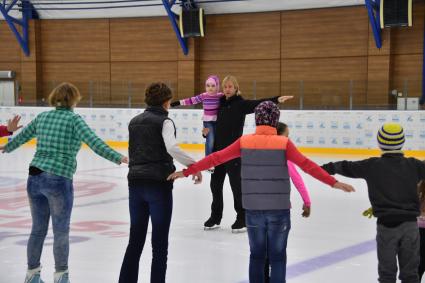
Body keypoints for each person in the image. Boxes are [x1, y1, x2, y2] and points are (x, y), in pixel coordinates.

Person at [168, 101, 355, 283]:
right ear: (275, 120)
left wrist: (186, 172)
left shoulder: (245, 142)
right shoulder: (284, 143)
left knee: (257, 256)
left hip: (253, 210)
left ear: (257, 119)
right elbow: (307, 165)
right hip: (279, 210)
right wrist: (333, 182)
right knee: (278, 257)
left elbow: (215, 158)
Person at [0, 82, 128, 283]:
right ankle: (61, 276)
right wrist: (118, 157)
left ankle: (32, 275)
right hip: (58, 178)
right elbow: (94, 143)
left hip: (34, 177)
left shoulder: (43, 117)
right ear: (74, 99)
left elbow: (22, 137)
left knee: (37, 229)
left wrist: (7, 148)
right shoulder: (74, 120)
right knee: (60, 230)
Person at [118, 82, 202, 283]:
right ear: (167, 102)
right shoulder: (165, 121)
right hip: (158, 185)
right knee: (159, 244)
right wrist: (193, 165)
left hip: (136, 184)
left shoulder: (134, 121)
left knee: (135, 241)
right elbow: (172, 148)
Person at [321, 123, 425, 283]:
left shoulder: (371, 165)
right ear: (403, 142)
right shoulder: (415, 165)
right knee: (410, 275)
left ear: (379, 143)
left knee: (387, 274)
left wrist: (321, 168)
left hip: (386, 227)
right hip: (411, 227)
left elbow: (346, 166)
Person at [204, 75, 293, 232]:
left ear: (236, 88)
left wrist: (277, 99)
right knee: (215, 186)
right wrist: (206, 133)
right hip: (218, 152)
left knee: (236, 186)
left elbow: (258, 103)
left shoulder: (241, 104)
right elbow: (212, 124)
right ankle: (215, 217)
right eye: (225, 87)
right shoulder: (220, 104)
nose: (227, 89)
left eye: (230, 86)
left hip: (233, 152)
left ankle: (242, 217)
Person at [264, 122, 311, 283]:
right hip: (278, 208)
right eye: (286, 135)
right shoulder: (283, 155)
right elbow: (297, 179)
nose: (288, 138)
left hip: (256, 207)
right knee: (277, 250)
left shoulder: (255, 152)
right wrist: (307, 201)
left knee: (261, 249)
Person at [170, 75, 223, 159]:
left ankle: (216, 159)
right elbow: (191, 100)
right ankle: (208, 161)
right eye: (208, 86)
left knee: (216, 141)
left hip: (218, 121)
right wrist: (178, 103)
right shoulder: (204, 96)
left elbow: (230, 98)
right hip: (207, 122)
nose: (210, 88)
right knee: (210, 140)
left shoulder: (220, 96)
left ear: (217, 86)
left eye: (213, 86)